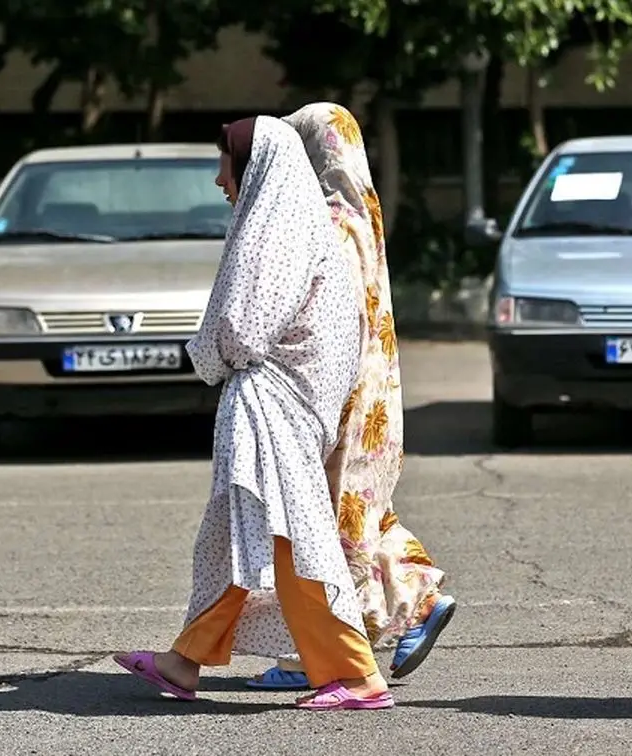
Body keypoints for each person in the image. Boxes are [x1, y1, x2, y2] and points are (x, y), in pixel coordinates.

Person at [113, 115, 394, 711]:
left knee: (290, 543)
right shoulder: (297, 226)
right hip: (277, 411)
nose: (219, 178)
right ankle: (183, 662)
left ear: (256, 168)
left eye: (225, 164)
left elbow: (241, 330)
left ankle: (357, 674)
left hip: (275, 411)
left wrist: (205, 353)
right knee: (238, 539)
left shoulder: (281, 232)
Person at [243, 102, 457, 692]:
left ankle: (319, 655)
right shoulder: (363, 212)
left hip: (338, 390)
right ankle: (417, 599)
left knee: (324, 519)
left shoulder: (326, 220)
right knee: (361, 509)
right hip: (376, 390)